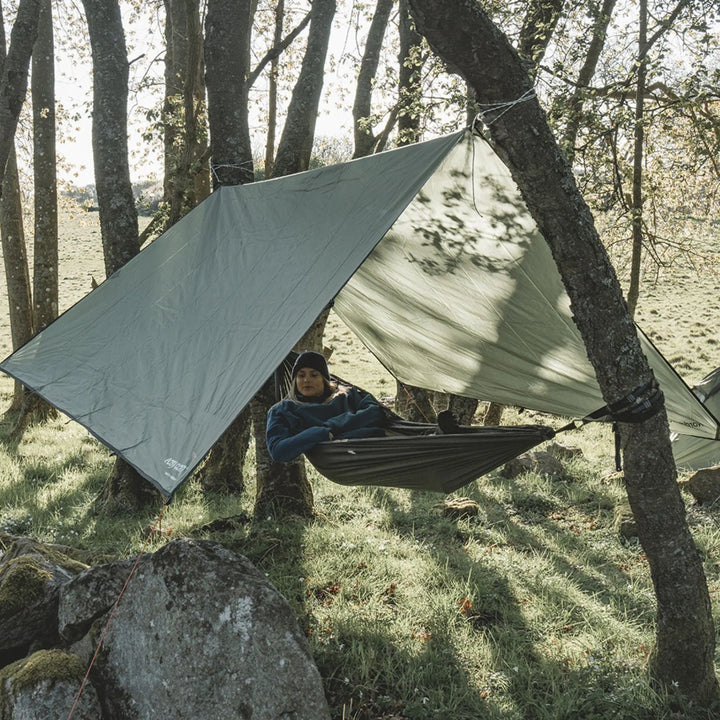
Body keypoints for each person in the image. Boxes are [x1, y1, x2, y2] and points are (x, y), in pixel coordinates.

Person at [266, 351, 388, 463]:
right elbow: (278, 451)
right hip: (335, 463)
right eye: (301, 375)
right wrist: (319, 433)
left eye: (314, 375)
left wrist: (331, 428)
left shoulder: (346, 395)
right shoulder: (283, 410)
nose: (306, 380)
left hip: (370, 455)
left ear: (324, 380)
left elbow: (375, 412)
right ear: (294, 381)